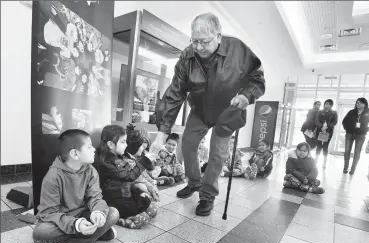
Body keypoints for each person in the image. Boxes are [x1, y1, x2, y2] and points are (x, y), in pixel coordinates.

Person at [150, 13, 265, 216]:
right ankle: (194, 183)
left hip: (227, 111)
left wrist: (246, 96)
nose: (198, 47)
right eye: (194, 41)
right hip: (200, 110)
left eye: (204, 42)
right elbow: (175, 93)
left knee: (217, 154)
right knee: (187, 144)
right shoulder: (187, 56)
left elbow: (257, 78)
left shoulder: (238, 50)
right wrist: (162, 132)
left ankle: (207, 196)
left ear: (218, 36)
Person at [32, 129, 119, 243]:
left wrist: (98, 212)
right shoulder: (53, 177)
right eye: (89, 146)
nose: (94, 149)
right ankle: (98, 233)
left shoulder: (90, 171)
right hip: (60, 221)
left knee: (113, 213)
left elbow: (95, 197)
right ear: (75, 154)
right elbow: (48, 213)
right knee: (40, 233)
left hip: (83, 215)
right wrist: (76, 225)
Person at [93, 125, 158, 230]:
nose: (126, 145)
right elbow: (129, 176)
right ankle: (119, 219)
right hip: (113, 200)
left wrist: (140, 190)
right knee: (143, 218)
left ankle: (128, 215)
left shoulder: (117, 156)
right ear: (110, 144)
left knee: (152, 208)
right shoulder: (106, 162)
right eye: (123, 142)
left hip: (122, 194)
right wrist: (145, 160)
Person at [342, 98, 369, 174]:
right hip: (350, 133)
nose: (358, 104)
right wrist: (347, 129)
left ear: (364, 104)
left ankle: (353, 169)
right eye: (357, 103)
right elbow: (344, 121)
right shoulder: (351, 112)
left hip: (360, 135)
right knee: (347, 151)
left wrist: (364, 130)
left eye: (360, 103)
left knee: (357, 152)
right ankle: (345, 168)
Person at [314, 99, 338, 169]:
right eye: (326, 104)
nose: (327, 105)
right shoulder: (320, 112)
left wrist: (327, 127)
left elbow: (335, 122)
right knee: (318, 146)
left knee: (325, 147)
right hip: (319, 130)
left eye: (329, 104)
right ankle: (316, 161)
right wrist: (321, 127)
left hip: (328, 131)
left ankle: (324, 163)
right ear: (324, 104)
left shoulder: (334, 112)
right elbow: (316, 121)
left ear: (331, 105)